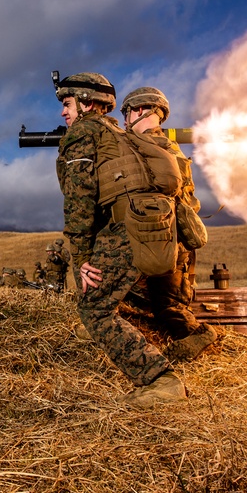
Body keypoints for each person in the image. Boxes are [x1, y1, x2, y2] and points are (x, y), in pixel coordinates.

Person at [56, 72, 187, 406]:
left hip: (127, 227)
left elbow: (79, 200)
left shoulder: (84, 132)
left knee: (94, 308)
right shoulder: (117, 132)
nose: (63, 113)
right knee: (109, 303)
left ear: (86, 104)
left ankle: (161, 381)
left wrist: (82, 259)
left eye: (67, 104)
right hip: (149, 225)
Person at [120, 87, 217, 362]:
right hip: (165, 239)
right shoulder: (168, 148)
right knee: (152, 304)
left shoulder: (150, 150)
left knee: (168, 309)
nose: (125, 121)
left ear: (140, 111)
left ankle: (198, 336)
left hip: (162, 240)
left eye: (127, 114)